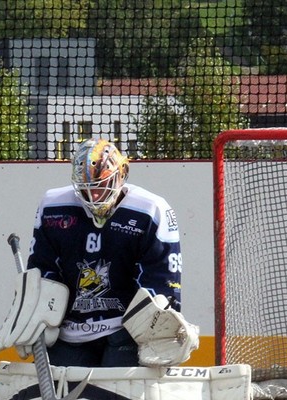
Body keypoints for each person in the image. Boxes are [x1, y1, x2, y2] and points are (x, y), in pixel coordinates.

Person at [25, 138, 183, 368]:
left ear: (122, 174)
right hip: (69, 330)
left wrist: (161, 328)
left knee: (119, 396)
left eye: (101, 185)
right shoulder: (52, 206)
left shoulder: (152, 210)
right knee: (59, 395)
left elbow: (163, 282)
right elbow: (42, 268)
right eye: (87, 189)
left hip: (127, 330)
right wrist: (37, 314)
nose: (94, 197)